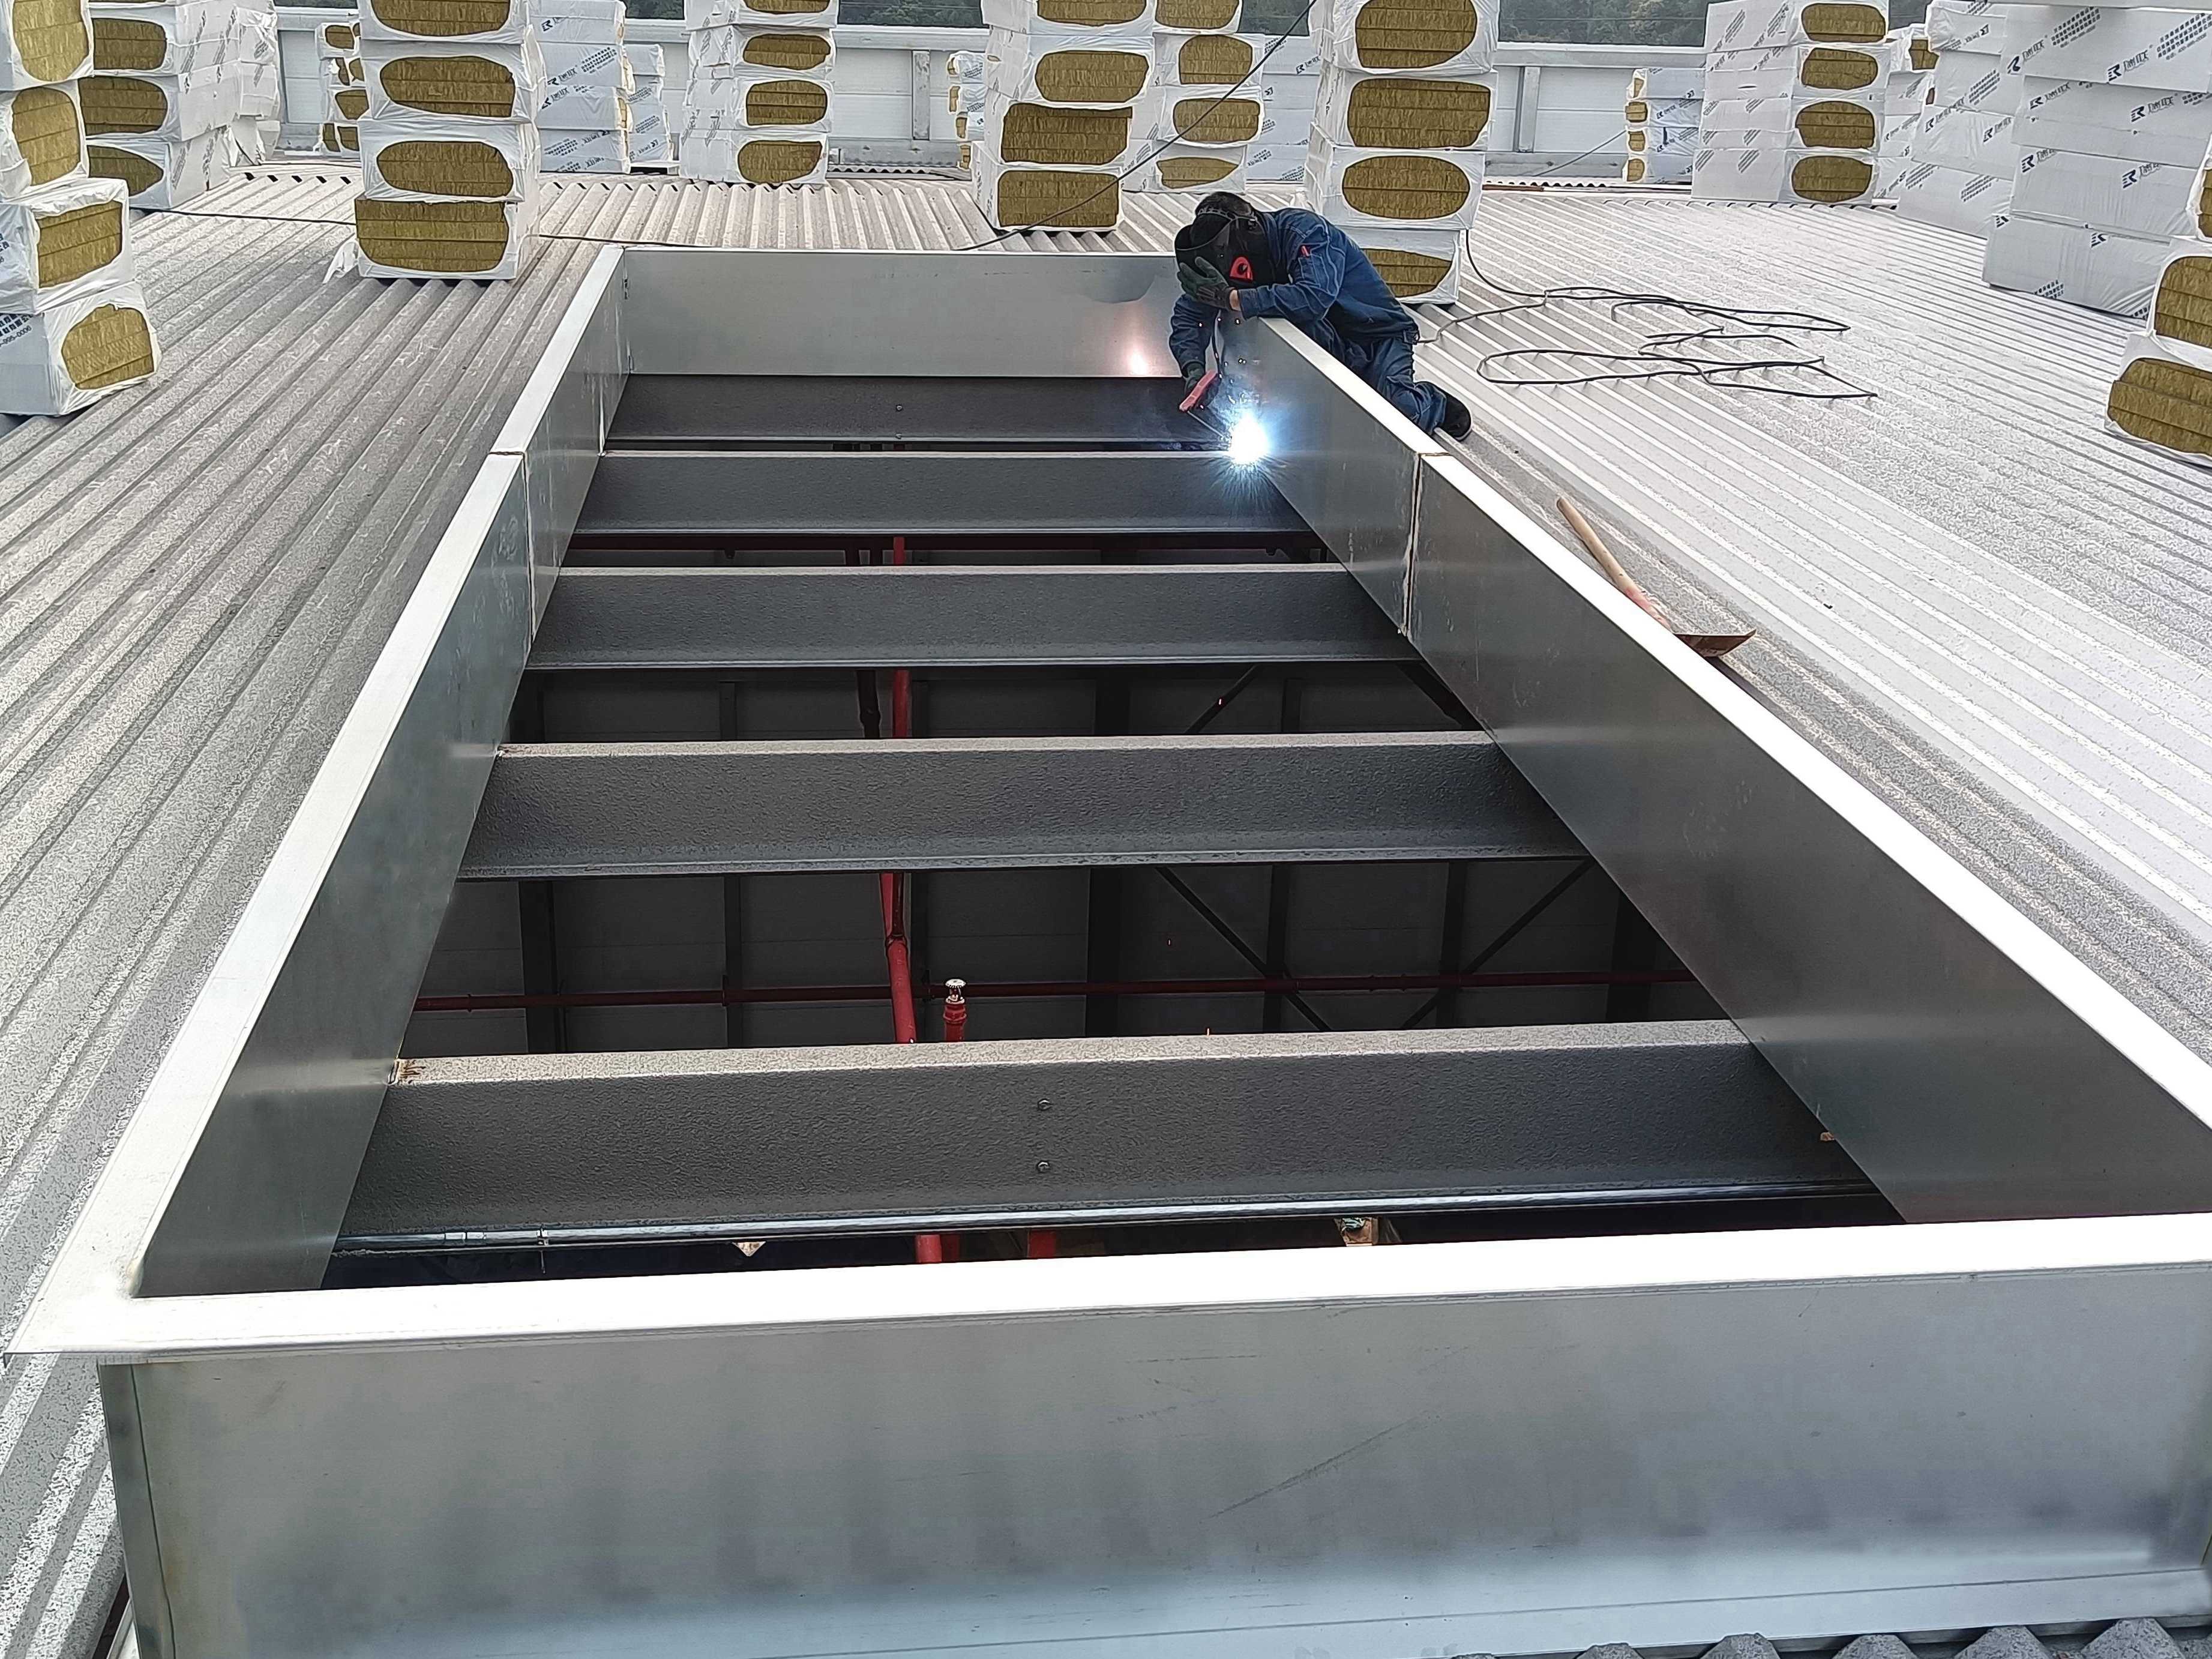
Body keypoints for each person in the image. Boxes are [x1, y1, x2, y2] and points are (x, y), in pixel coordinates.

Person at [1169, 191, 1472, 441]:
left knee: (1398, 412)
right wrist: (1193, 368)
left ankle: (1435, 403)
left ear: (1252, 233)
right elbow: (1190, 315)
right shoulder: (1224, 258)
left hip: (1377, 337)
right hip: (1324, 341)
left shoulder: (1305, 231)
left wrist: (1232, 298)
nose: (1236, 276)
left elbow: (1314, 297)